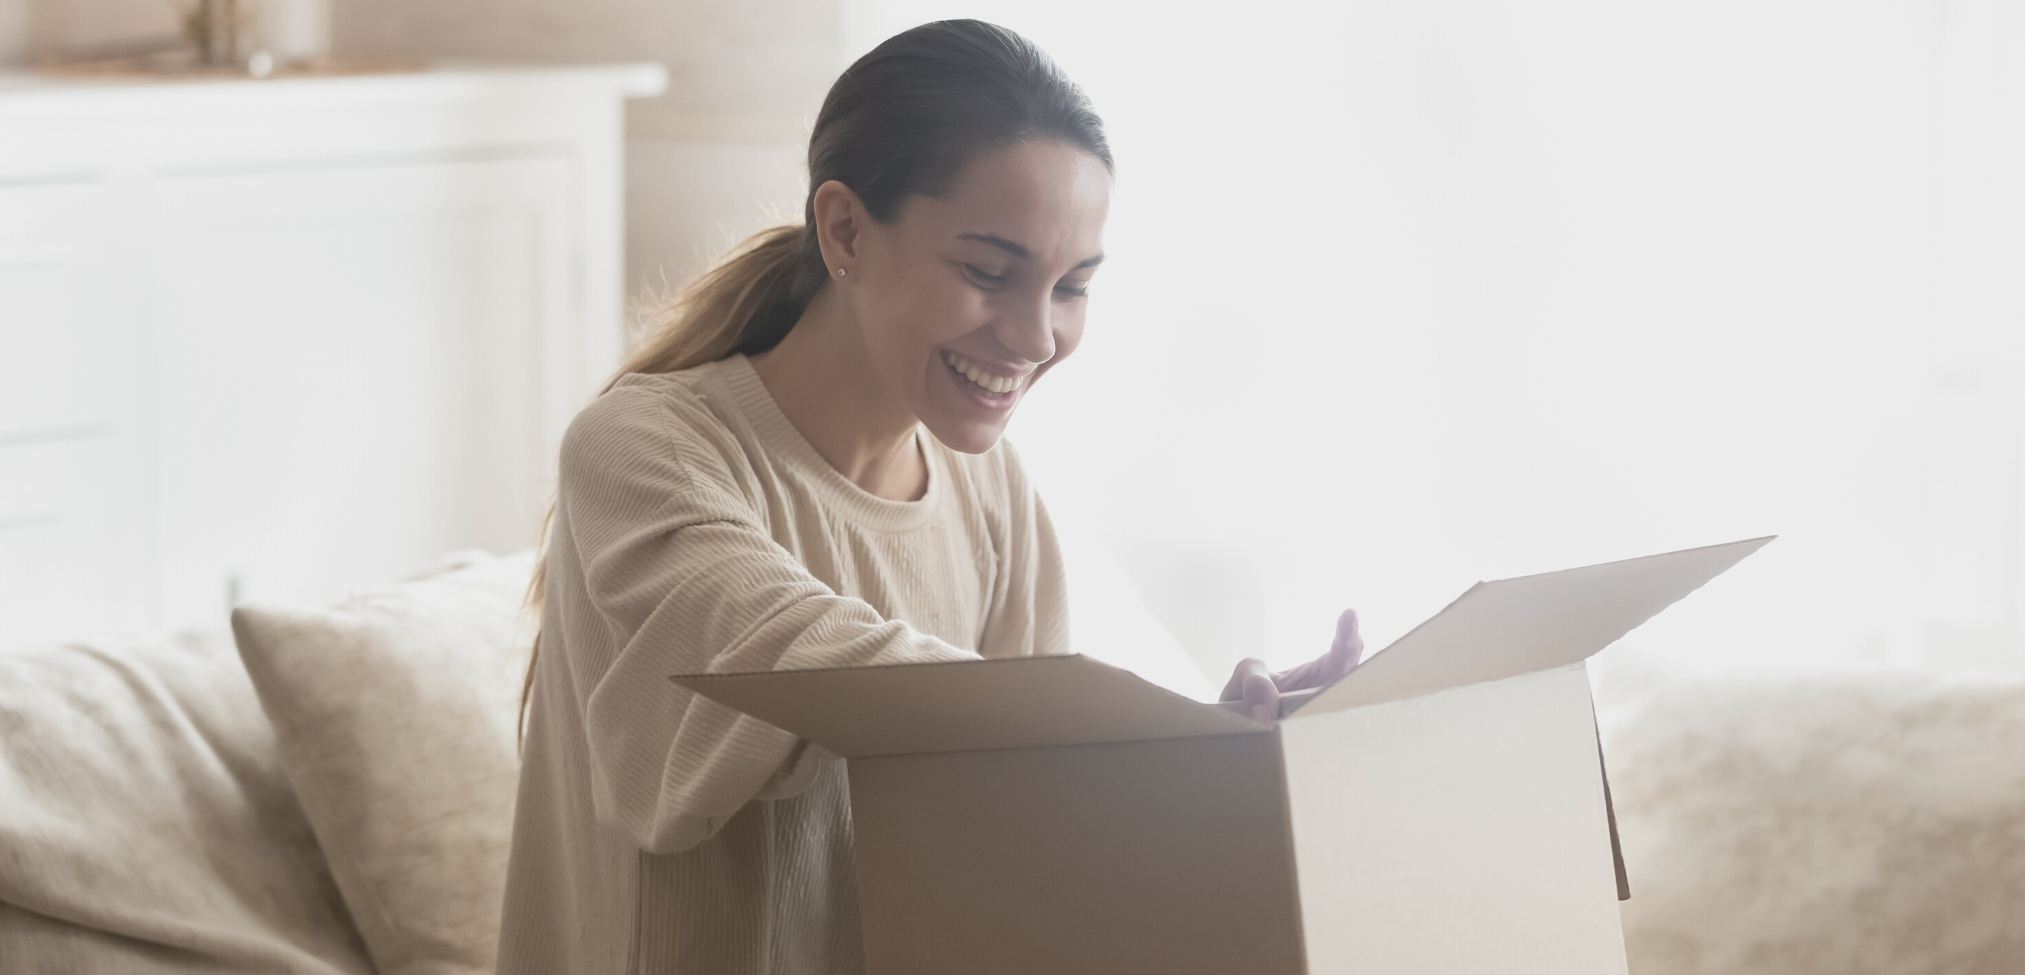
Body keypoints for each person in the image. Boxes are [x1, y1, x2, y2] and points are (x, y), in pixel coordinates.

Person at [494, 18, 1364, 974]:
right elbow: (793, 659)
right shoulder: (644, 448)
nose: (1036, 337)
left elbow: (1031, 818)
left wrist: (1221, 765)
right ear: (846, 230)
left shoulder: (990, 491)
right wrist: (1147, 739)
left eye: (1071, 286)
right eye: (989, 272)